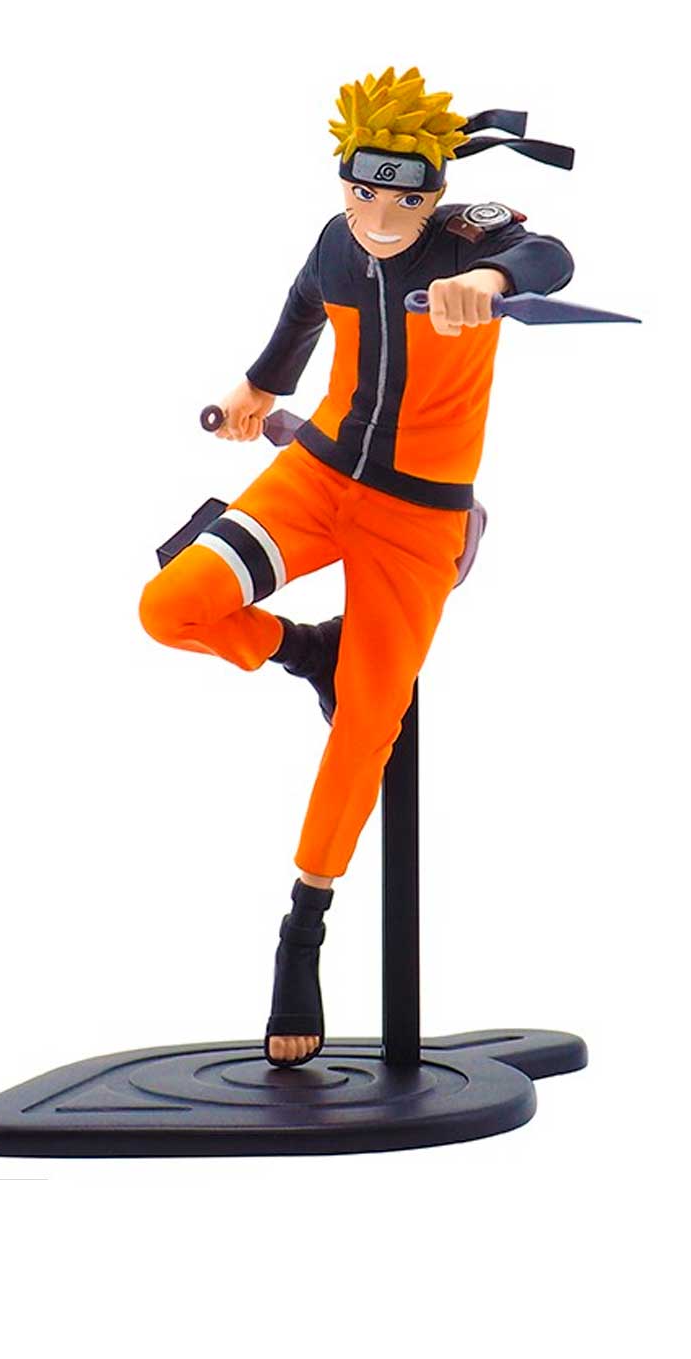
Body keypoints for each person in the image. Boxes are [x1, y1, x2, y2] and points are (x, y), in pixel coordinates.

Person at [139, 67, 574, 1066]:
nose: (379, 218)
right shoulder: (338, 241)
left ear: (437, 190)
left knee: (368, 727)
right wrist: (259, 387)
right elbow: (304, 305)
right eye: (361, 192)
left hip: (418, 517)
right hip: (321, 474)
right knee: (171, 605)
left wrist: (493, 283)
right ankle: (306, 650)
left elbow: (552, 254)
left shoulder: (469, 241)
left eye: (403, 200)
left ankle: (303, 930)